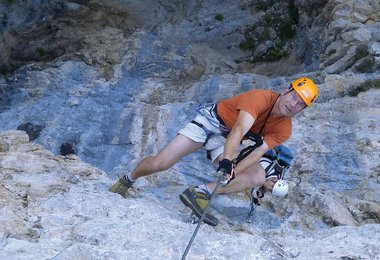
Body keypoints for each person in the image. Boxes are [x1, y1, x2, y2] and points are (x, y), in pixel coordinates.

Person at [110, 77, 318, 226]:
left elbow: (257, 152)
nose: (293, 105)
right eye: (294, 97)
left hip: (226, 139)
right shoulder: (259, 97)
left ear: (302, 110)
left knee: (257, 176)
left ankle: (201, 192)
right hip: (210, 123)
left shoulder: (284, 129)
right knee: (159, 164)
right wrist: (227, 160)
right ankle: (128, 179)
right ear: (285, 91)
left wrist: (232, 172)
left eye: (300, 104)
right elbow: (239, 129)